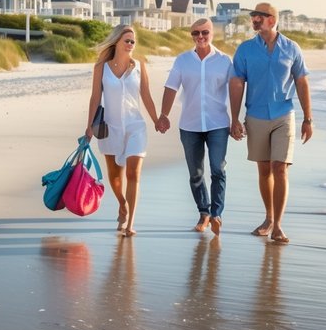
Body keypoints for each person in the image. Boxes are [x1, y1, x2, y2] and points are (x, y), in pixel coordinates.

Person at [229, 3, 313, 244]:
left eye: (259, 16)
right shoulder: (245, 50)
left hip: (284, 114)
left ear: (273, 19)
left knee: (280, 168)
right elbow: (237, 84)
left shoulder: (292, 48)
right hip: (255, 115)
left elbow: (302, 82)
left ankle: (277, 225)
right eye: (253, 16)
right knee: (264, 169)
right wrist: (234, 119)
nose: (254, 20)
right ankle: (268, 217)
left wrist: (308, 118)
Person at [156, 18, 232, 236]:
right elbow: (171, 87)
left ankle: (216, 214)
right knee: (195, 173)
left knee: (218, 169)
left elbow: (236, 90)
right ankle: (203, 212)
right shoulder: (182, 61)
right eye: (195, 33)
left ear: (212, 33)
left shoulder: (225, 61)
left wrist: (236, 119)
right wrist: (164, 115)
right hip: (190, 125)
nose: (200, 37)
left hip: (218, 123)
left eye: (205, 32)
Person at [84, 25, 162, 236]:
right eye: (126, 40)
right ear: (117, 41)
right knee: (115, 177)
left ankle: (130, 224)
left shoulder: (139, 65)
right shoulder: (102, 66)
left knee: (133, 173)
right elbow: (94, 98)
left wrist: (157, 120)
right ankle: (121, 204)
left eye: (133, 41)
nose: (130, 44)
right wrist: (89, 127)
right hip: (109, 127)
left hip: (136, 126)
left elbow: (146, 95)